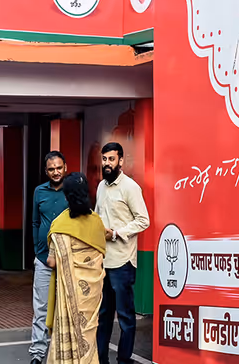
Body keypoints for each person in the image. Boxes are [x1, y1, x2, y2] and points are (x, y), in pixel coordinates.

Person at [94, 142, 149, 364]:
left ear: (121, 161)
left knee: (125, 317)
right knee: (103, 316)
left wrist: (117, 233)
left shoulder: (130, 187)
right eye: (104, 159)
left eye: (111, 159)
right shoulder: (100, 186)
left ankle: (124, 360)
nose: (107, 163)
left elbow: (143, 220)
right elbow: (97, 217)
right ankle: (101, 359)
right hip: (103, 262)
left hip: (123, 263)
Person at [45, 172, 106, 364]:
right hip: (92, 294)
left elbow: (52, 262)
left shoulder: (60, 224)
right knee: (89, 332)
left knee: (70, 330)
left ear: (66, 196)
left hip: (69, 294)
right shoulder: (97, 222)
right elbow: (100, 254)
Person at [30, 151, 69, 364]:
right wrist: (39, 251)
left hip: (67, 260)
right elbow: (35, 222)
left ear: (65, 168)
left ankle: (61, 353)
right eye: (51, 169)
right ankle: (37, 353)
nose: (56, 172)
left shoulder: (71, 190)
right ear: (46, 171)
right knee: (41, 308)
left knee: (64, 307)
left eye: (59, 168)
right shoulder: (39, 191)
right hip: (43, 259)